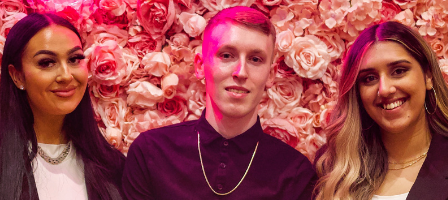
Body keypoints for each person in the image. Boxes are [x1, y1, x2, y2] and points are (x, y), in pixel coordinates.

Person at [121, 6, 317, 199]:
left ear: (271, 75)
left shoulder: (295, 174)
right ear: (199, 65)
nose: (240, 72)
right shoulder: (151, 153)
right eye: (226, 56)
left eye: (255, 59)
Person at [314, 21, 448, 200]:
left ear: (428, 75)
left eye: (398, 71)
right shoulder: (334, 163)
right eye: (369, 78)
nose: (385, 89)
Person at [0, 13, 126, 200]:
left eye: (74, 59)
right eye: (47, 63)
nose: (66, 75)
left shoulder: (111, 162)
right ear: (17, 76)